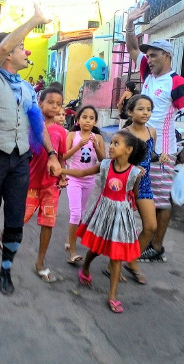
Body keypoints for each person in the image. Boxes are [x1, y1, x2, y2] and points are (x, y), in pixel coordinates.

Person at [0, 3, 61, 296]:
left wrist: (51, 154)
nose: (27, 52)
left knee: (14, 218)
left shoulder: (26, 88)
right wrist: (34, 20)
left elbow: (38, 125)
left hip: (19, 160)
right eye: (22, 47)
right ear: (8, 52)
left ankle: (6, 270)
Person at [126, 3, 184, 263]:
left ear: (167, 56)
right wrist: (130, 23)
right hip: (141, 145)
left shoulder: (177, 82)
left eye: (154, 55)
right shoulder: (147, 73)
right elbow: (133, 48)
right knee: (142, 194)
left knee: (160, 199)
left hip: (162, 150)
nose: (149, 58)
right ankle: (145, 237)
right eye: (149, 55)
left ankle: (156, 246)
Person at [57, 131, 147, 313]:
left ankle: (112, 296)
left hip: (122, 217)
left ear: (128, 150)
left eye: (116, 144)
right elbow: (82, 172)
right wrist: (63, 170)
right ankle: (86, 268)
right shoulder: (105, 165)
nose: (110, 147)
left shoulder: (135, 173)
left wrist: (133, 205)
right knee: (96, 249)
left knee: (116, 257)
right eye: (111, 142)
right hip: (103, 213)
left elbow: (134, 194)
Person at [23, 87, 67, 284]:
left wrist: (63, 175)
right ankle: (5, 235)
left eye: (59, 104)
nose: (55, 107)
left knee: (47, 223)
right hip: (29, 185)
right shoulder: (29, 127)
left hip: (51, 187)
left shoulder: (61, 132)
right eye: (51, 102)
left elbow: (62, 157)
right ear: (40, 103)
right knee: (20, 219)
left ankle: (40, 262)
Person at [63, 105, 106, 264]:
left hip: (89, 180)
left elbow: (103, 160)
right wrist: (79, 145)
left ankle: (70, 239)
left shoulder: (98, 138)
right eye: (84, 117)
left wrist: (95, 145)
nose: (87, 121)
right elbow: (64, 155)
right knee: (75, 213)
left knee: (80, 213)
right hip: (73, 178)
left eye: (91, 118)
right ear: (78, 119)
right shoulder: (72, 135)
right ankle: (73, 252)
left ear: (95, 121)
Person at [121, 94, 157, 284]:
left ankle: (132, 260)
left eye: (149, 109)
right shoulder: (125, 134)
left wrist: (161, 156)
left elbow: (150, 156)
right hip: (124, 185)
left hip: (144, 184)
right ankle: (115, 264)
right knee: (121, 229)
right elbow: (117, 161)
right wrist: (133, 169)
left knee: (151, 227)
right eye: (141, 109)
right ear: (130, 111)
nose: (145, 113)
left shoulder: (152, 132)